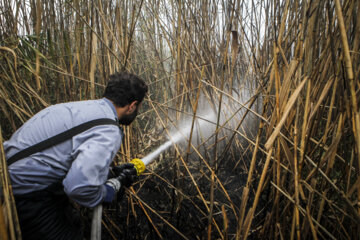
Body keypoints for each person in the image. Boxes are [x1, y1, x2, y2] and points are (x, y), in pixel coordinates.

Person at [3, 72, 148, 240]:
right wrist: (108, 192)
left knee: (73, 221)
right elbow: (79, 188)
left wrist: (111, 173)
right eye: (139, 107)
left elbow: (62, 155)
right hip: (26, 198)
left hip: (7, 180)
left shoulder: (74, 108)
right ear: (132, 105)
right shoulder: (109, 130)